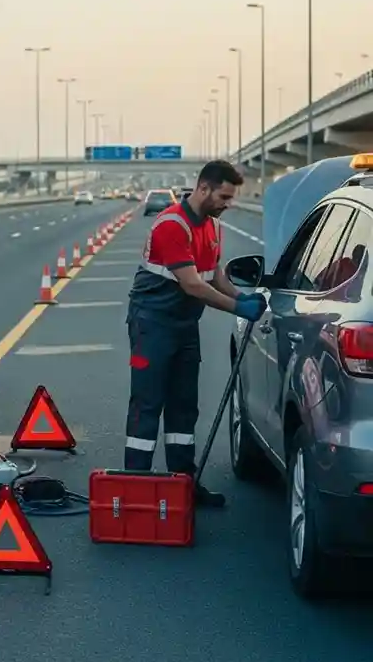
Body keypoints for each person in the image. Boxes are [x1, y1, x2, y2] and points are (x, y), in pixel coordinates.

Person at [124, 160, 267, 508]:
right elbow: (192, 285)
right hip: (152, 323)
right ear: (203, 188)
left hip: (185, 325)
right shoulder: (172, 225)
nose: (227, 204)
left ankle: (182, 486)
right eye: (223, 196)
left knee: (184, 407)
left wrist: (242, 297)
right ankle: (134, 488)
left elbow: (213, 274)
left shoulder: (213, 228)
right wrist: (238, 310)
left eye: (231, 198)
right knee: (148, 403)